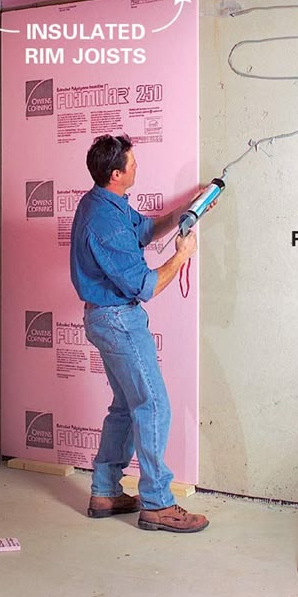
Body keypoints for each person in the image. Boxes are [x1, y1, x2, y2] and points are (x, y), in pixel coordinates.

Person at [69, 133, 210, 533]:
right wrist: (181, 255)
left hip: (108, 318)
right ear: (116, 174)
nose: (137, 167)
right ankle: (158, 504)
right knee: (153, 405)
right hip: (117, 321)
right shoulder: (104, 223)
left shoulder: (104, 203)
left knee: (126, 407)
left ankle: (105, 492)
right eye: (132, 164)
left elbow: (146, 231)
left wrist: (189, 210)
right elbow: (144, 286)